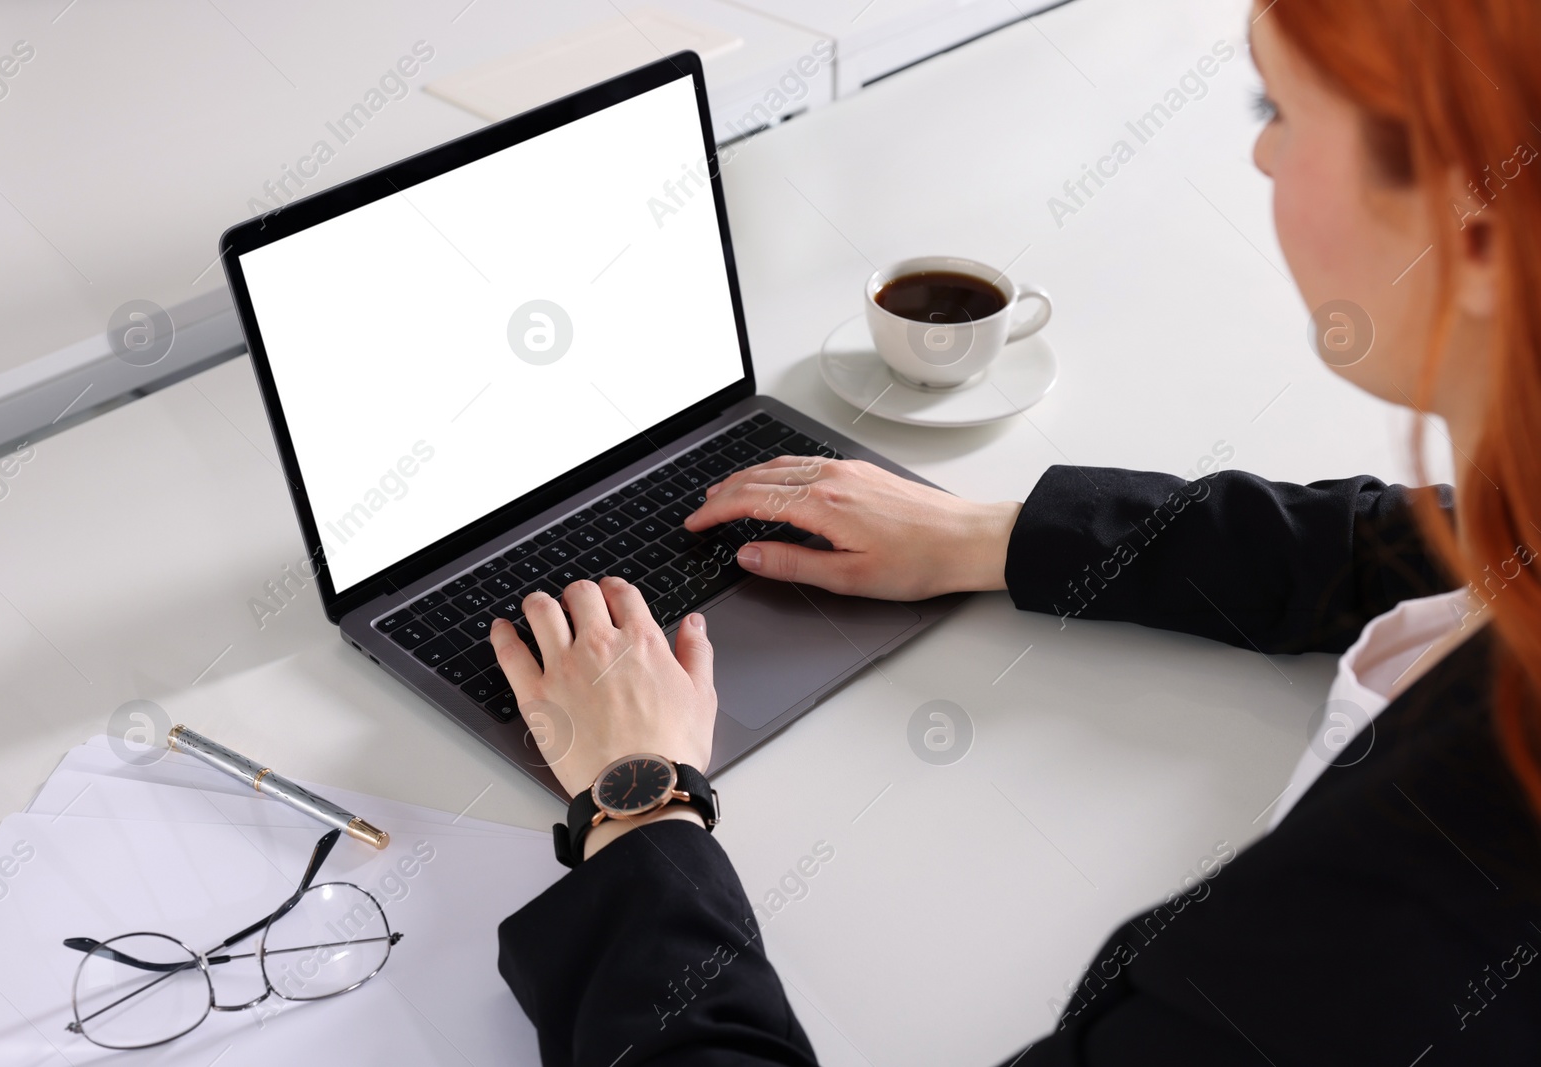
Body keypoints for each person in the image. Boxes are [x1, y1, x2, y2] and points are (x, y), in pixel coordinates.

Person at [488, 0, 1541, 1061]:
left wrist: (640, 803)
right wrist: (989, 535)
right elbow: (1410, 547)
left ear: (1482, 228)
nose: (1261, 155)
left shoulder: (1437, 883)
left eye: (1280, 108)